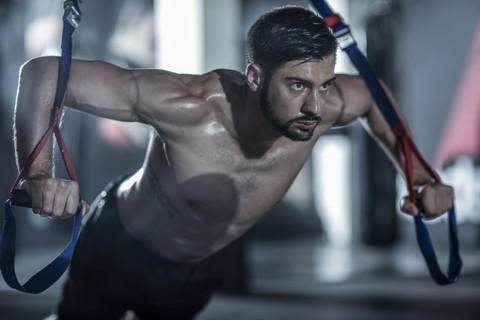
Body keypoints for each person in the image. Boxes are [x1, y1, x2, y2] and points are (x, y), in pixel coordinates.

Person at [14, 5, 454, 320]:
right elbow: (43, 74)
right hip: (118, 247)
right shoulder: (187, 107)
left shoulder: (322, 105)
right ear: (255, 76)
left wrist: (418, 177)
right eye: (298, 85)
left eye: (324, 85)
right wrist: (38, 172)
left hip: (197, 270)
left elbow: (377, 102)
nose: (315, 107)